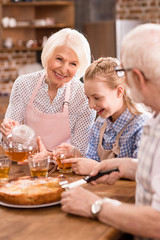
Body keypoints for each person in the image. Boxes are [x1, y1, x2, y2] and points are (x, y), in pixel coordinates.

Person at [60, 23, 160, 240]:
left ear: (137, 78)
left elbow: (157, 223)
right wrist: (126, 166)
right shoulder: (155, 120)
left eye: (122, 71)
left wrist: (95, 205)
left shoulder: (143, 123)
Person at [0, 28, 96, 155]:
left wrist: (48, 157)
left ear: (80, 67)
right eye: (59, 59)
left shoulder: (84, 96)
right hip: (28, 166)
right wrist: (8, 133)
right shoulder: (23, 84)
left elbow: (80, 152)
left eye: (73, 64)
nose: (63, 69)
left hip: (64, 170)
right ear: (48, 55)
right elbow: (8, 141)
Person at [52, 57, 150, 175]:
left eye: (97, 98)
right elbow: (91, 162)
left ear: (119, 92)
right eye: (88, 98)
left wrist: (99, 167)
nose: (91, 105)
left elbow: (144, 173)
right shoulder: (100, 125)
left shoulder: (143, 126)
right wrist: (76, 155)